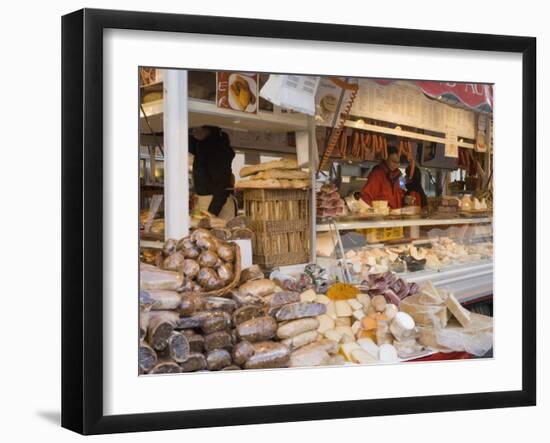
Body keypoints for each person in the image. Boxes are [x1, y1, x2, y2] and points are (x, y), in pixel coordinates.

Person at [189, 125, 236, 220]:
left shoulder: (217, 150)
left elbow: (223, 184)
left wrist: (212, 212)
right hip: (208, 203)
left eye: (196, 128)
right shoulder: (201, 146)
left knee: (220, 234)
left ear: (207, 129)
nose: (193, 132)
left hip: (217, 204)